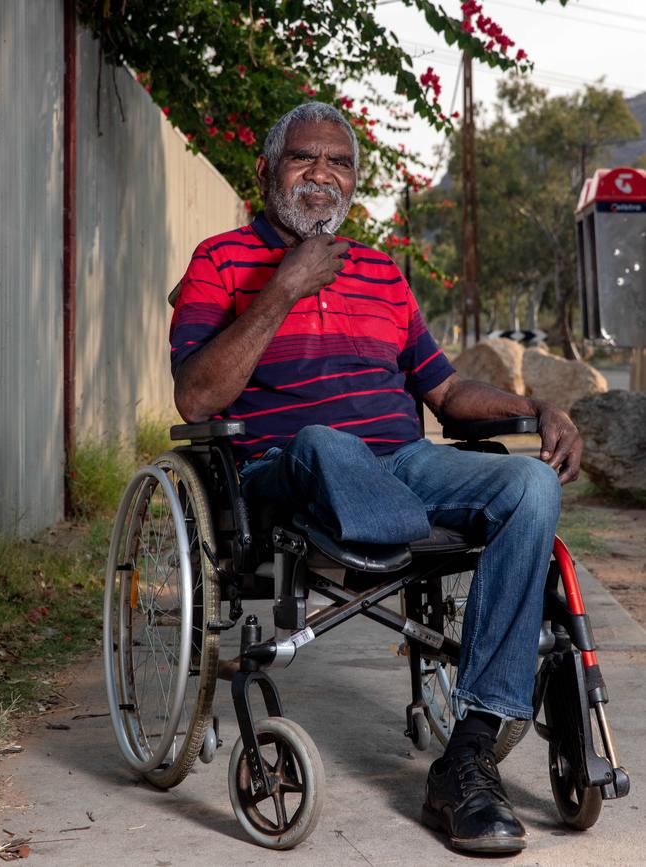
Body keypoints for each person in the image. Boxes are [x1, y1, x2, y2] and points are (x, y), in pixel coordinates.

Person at [169, 102, 582, 855]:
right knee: (327, 439)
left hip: (405, 462)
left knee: (531, 488)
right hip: (290, 465)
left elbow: (448, 395)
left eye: (340, 163)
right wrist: (285, 286)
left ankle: (469, 751)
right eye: (304, 158)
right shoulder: (220, 261)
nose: (323, 175)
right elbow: (196, 395)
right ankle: (395, 520)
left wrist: (537, 405)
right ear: (266, 170)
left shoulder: (382, 274)